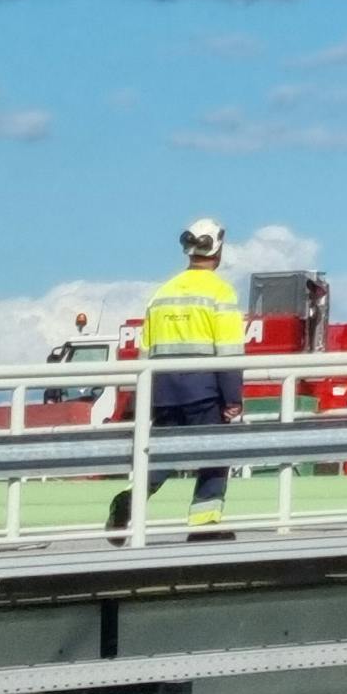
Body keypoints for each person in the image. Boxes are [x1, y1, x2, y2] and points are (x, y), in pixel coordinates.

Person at [114, 219, 247, 532]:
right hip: (203, 390)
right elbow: (228, 352)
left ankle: (130, 500)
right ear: (218, 249)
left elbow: (144, 352)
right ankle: (205, 524)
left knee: (163, 456)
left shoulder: (162, 293)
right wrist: (233, 399)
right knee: (215, 455)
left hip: (162, 390)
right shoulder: (221, 292)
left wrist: (143, 396)